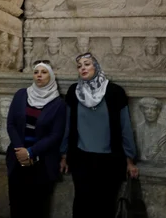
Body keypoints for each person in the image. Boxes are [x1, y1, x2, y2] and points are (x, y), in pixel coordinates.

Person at [60, 53, 139, 218]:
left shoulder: (114, 92)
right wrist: (64, 154)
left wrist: (129, 160)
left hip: (109, 160)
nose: (83, 68)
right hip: (81, 158)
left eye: (87, 64)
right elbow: (68, 126)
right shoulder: (74, 92)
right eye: (79, 66)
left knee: (105, 205)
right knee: (82, 204)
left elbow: (125, 126)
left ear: (96, 66)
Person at [6, 61, 66, 218]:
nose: (39, 75)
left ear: (51, 76)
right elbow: (11, 123)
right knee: (17, 205)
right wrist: (20, 150)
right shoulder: (21, 95)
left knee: (38, 207)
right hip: (18, 159)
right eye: (36, 72)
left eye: (44, 72)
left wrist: (31, 152)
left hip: (42, 162)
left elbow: (56, 134)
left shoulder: (58, 103)